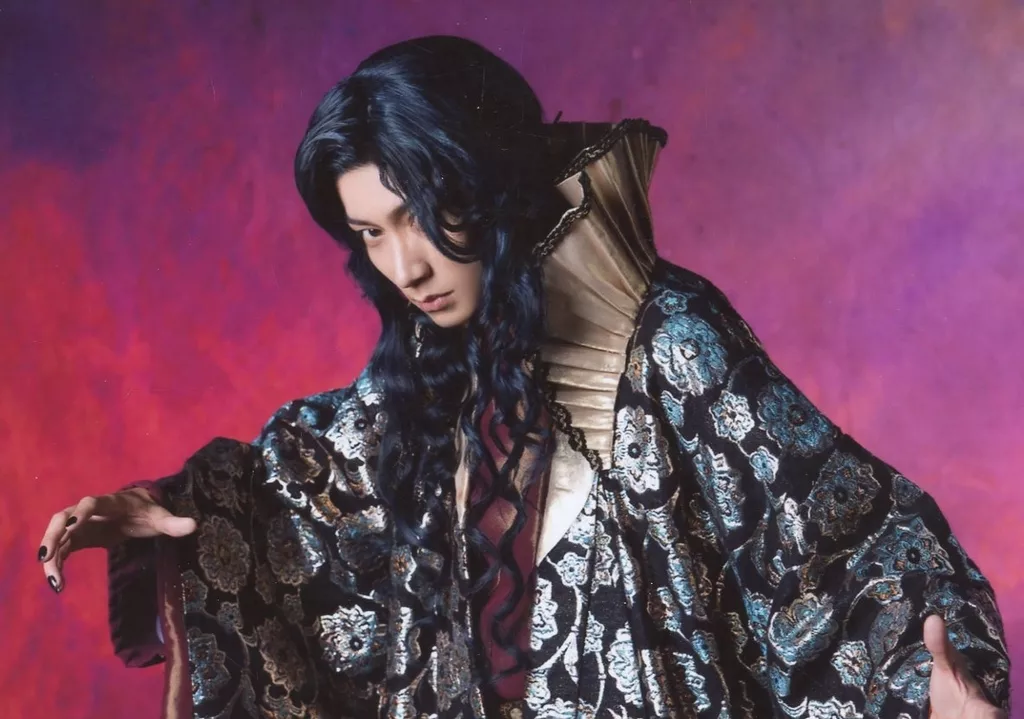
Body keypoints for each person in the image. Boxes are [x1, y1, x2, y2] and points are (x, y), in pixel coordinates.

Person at [37, 35, 1010, 719]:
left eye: (420, 216)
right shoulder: (418, 381)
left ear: (487, 180)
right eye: (370, 233)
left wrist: (927, 675)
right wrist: (175, 508)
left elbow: (839, 532)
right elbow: (298, 492)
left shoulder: (666, 334)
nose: (404, 264)